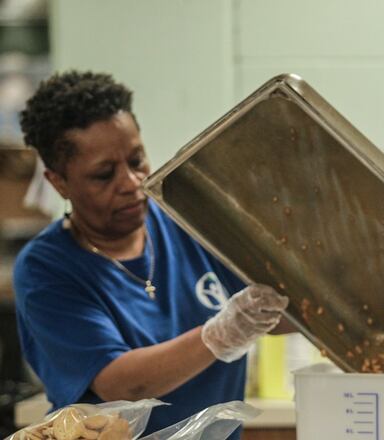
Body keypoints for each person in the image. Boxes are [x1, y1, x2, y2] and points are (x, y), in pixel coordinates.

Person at [13, 70, 290, 436]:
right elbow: (120, 385)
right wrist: (221, 334)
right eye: (103, 174)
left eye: (136, 160)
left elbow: (279, 309)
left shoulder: (186, 222)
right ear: (58, 182)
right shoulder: (46, 269)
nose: (131, 183)